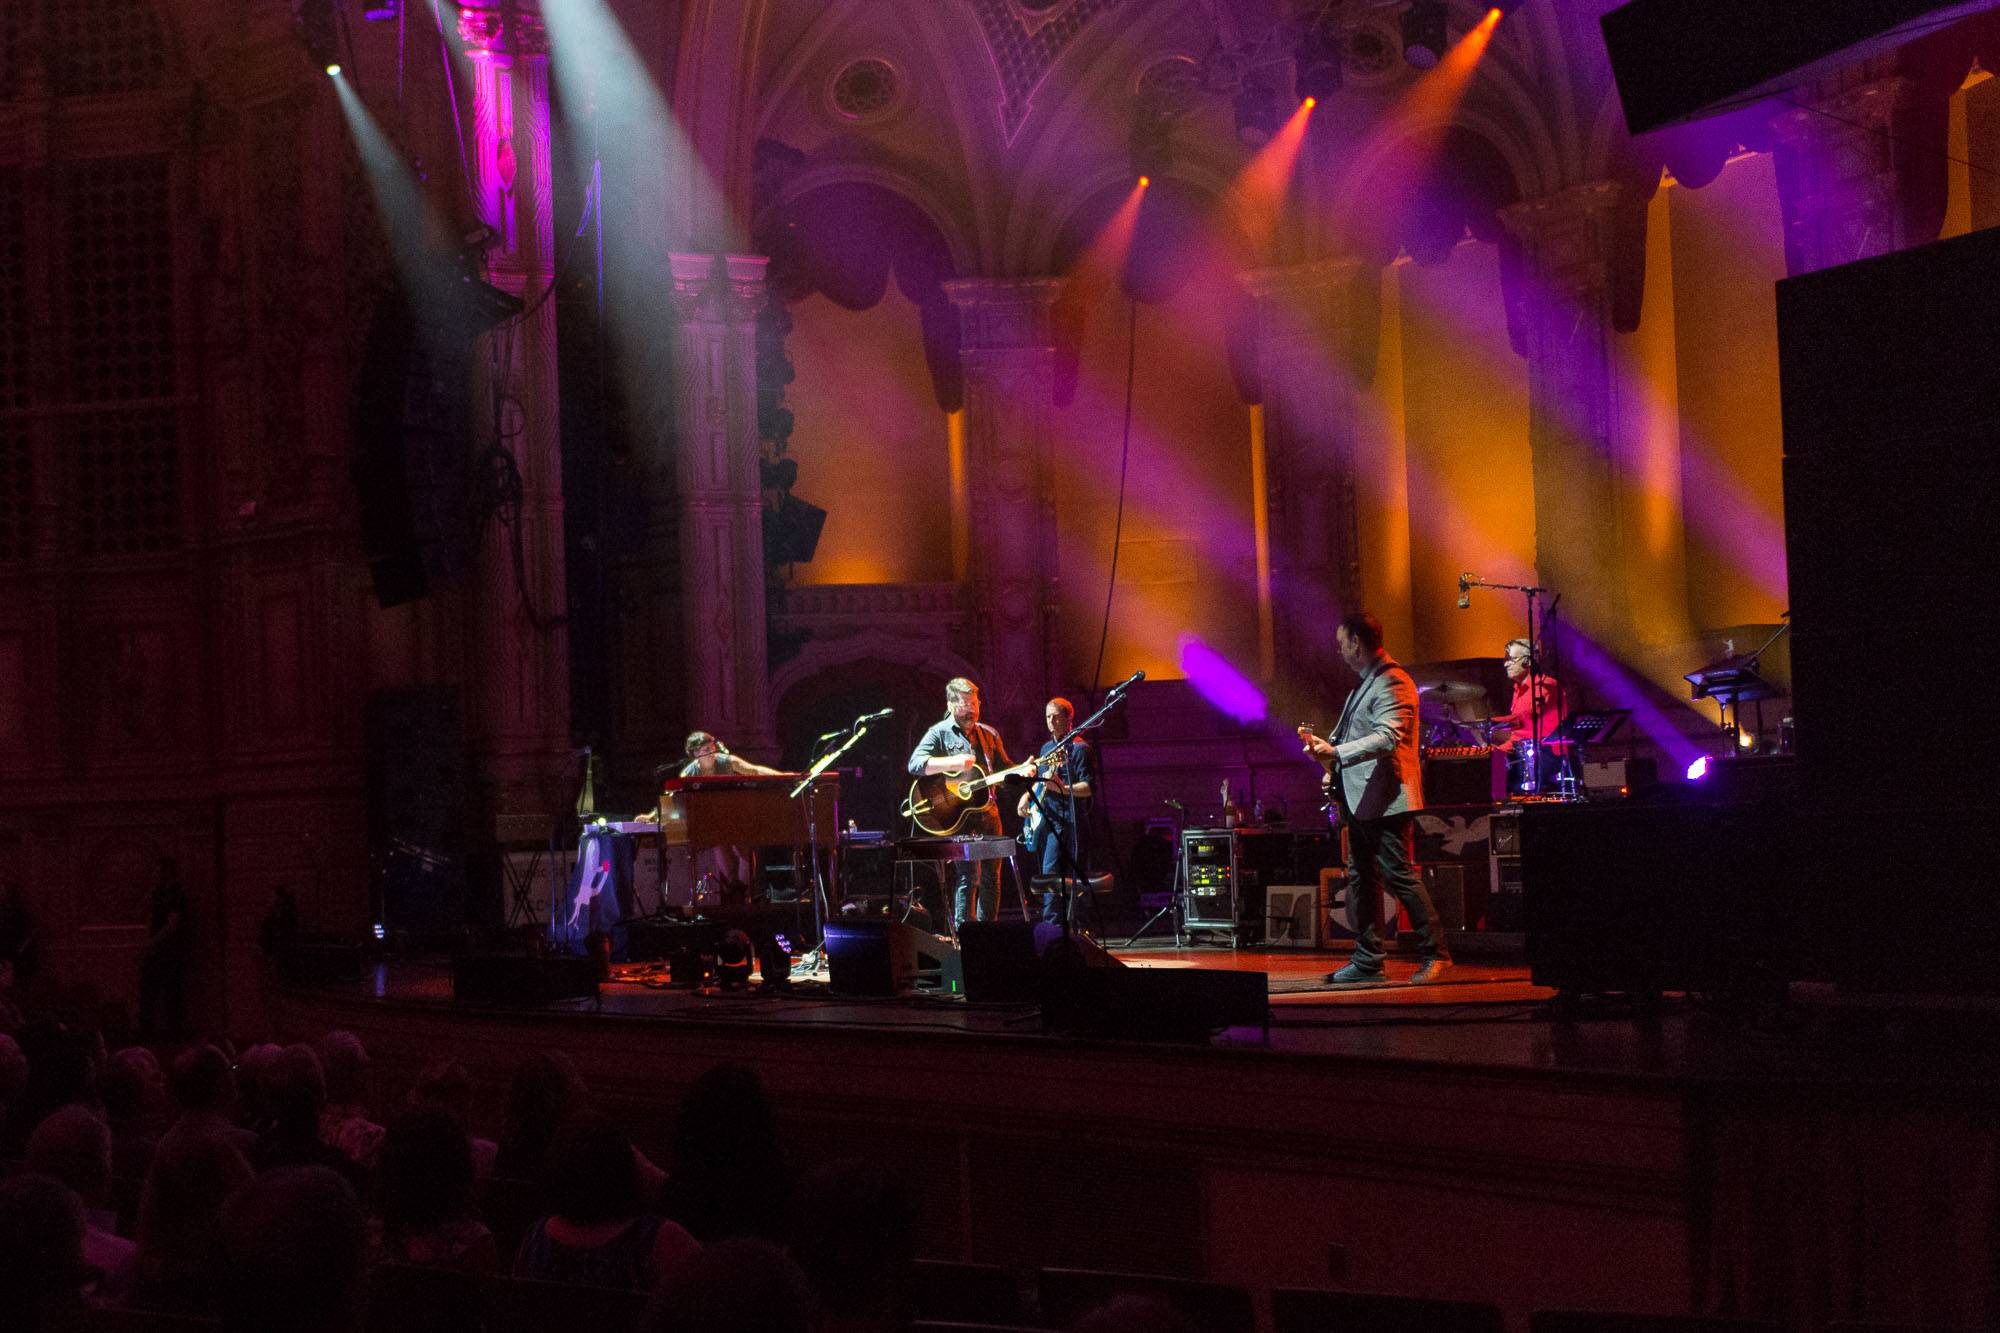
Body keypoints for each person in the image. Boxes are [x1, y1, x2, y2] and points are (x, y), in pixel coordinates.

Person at [1300, 611, 1452, 986]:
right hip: (1363, 800)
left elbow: (1388, 738)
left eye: (1341, 644)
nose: (1338, 651)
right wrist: (1328, 760)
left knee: (1399, 876)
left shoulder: (1393, 682)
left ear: (1357, 642)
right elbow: (1350, 742)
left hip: (1386, 800)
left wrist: (1335, 754)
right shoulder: (1365, 685)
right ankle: (1368, 960)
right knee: (1362, 880)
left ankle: (1437, 954)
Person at [906, 678, 1015, 927]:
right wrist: (953, 763)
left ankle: (988, 934)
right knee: (969, 876)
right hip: (960, 818)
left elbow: (1003, 768)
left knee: (992, 878)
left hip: (990, 813)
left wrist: (1025, 771)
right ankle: (966, 938)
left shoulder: (989, 734)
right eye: (965, 704)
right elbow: (915, 764)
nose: (972, 710)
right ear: (951, 704)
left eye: (975, 703)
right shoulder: (939, 732)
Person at [1016, 696, 1095, 926]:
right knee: (1049, 872)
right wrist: (1026, 797)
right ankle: (1052, 926)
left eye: (1055, 717)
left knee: (1066, 875)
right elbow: (1041, 782)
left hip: (1071, 821)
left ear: (1069, 719)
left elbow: (1088, 788)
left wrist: (1062, 788)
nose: (1050, 721)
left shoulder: (1080, 749)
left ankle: (1069, 927)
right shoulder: (1047, 748)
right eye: (1047, 717)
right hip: (1048, 819)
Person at [1488, 636, 1563, 792]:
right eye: (1505, 659)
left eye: (1511, 659)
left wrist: (1491, 721)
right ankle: (1497, 805)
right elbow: (1517, 731)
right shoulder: (1517, 690)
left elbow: (1530, 720)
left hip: (1544, 752)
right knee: (1484, 759)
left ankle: (1511, 797)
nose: (1505, 663)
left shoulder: (1547, 686)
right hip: (1519, 748)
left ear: (1527, 662)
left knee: (1500, 768)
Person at [138, 857, 191, 1040]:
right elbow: (149, 917)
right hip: (158, 950)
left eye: (157, 872)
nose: (154, 875)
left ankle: (172, 1033)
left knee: (170, 993)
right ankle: (149, 1031)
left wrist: (151, 942)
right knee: (150, 991)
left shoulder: (176, 894)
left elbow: (172, 925)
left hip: (170, 951)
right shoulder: (158, 894)